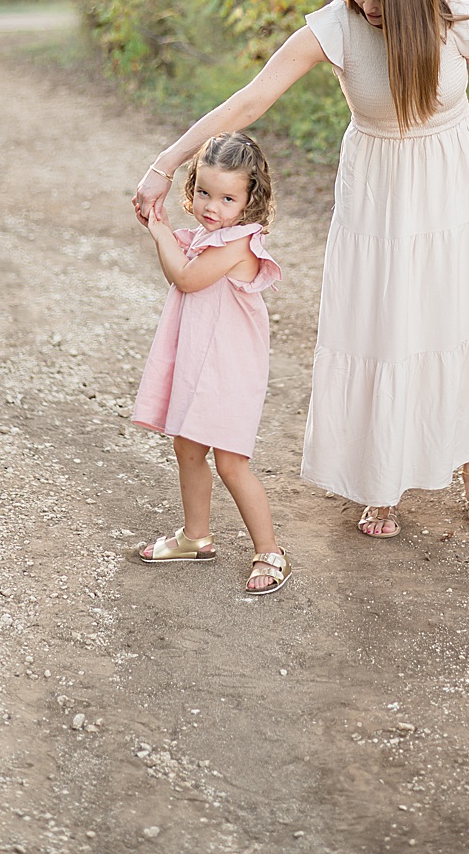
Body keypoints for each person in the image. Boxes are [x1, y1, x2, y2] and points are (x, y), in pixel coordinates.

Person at [131, 0, 469, 540]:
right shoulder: (338, 27)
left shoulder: (459, 22)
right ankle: (381, 480)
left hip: (455, 186)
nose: (365, 4)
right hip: (380, 194)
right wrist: (166, 163)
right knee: (384, 325)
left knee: (459, 316)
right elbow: (249, 99)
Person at [133, 132, 289, 596]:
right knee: (187, 447)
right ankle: (195, 536)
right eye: (203, 191)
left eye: (227, 198)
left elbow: (185, 277)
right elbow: (182, 273)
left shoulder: (239, 243)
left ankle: (270, 550)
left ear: (249, 200)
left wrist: (159, 231)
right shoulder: (207, 235)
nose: (211, 206)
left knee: (231, 462)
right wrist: (166, 232)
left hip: (229, 370)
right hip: (200, 364)